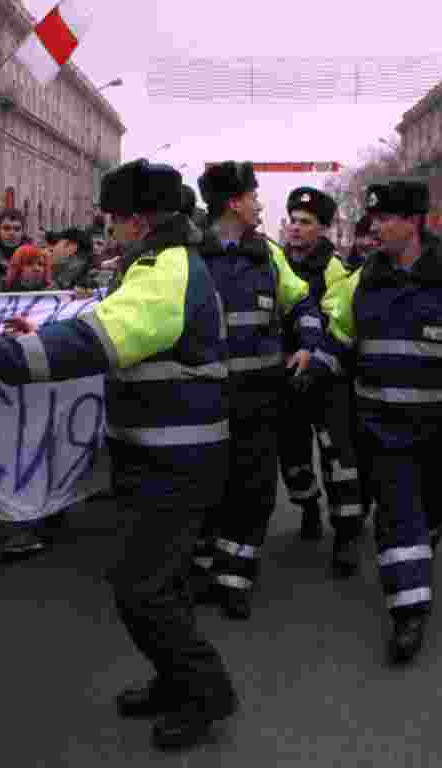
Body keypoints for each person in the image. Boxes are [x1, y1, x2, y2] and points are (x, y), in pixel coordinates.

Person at [0, 159, 238, 751]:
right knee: (158, 583)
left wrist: (4, 359)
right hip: (158, 452)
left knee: (144, 587)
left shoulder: (169, 268)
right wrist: (36, 334)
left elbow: (104, 337)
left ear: (137, 219)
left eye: (113, 219)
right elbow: (104, 321)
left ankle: (205, 692)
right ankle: (175, 679)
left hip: (177, 458)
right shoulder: (155, 265)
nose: (108, 230)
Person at [300, 179, 442, 663]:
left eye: (386, 219)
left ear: (413, 222)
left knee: (431, 512)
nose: (376, 228)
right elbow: (339, 336)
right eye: (374, 220)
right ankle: (408, 614)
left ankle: (418, 557)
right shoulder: (362, 280)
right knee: (398, 519)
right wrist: (315, 370)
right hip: (381, 430)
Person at [191, 162, 322, 620]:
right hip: (203, 401)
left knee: (254, 490)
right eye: (253, 197)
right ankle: (205, 569)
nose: (260, 205)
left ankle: (235, 577)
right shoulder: (187, 257)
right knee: (208, 489)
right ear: (233, 203)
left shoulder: (268, 255)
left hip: (259, 399)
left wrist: (307, 344)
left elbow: (303, 301)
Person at [279, 186, 364, 577]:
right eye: (293, 221)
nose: (296, 229)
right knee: (293, 455)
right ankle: (308, 505)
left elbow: (340, 323)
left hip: (328, 377)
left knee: (339, 459)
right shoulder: (275, 262)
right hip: (287, 377)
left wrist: (317, 357)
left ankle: (347, 533)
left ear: (323, 229)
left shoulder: (335, 270)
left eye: (305, 223)